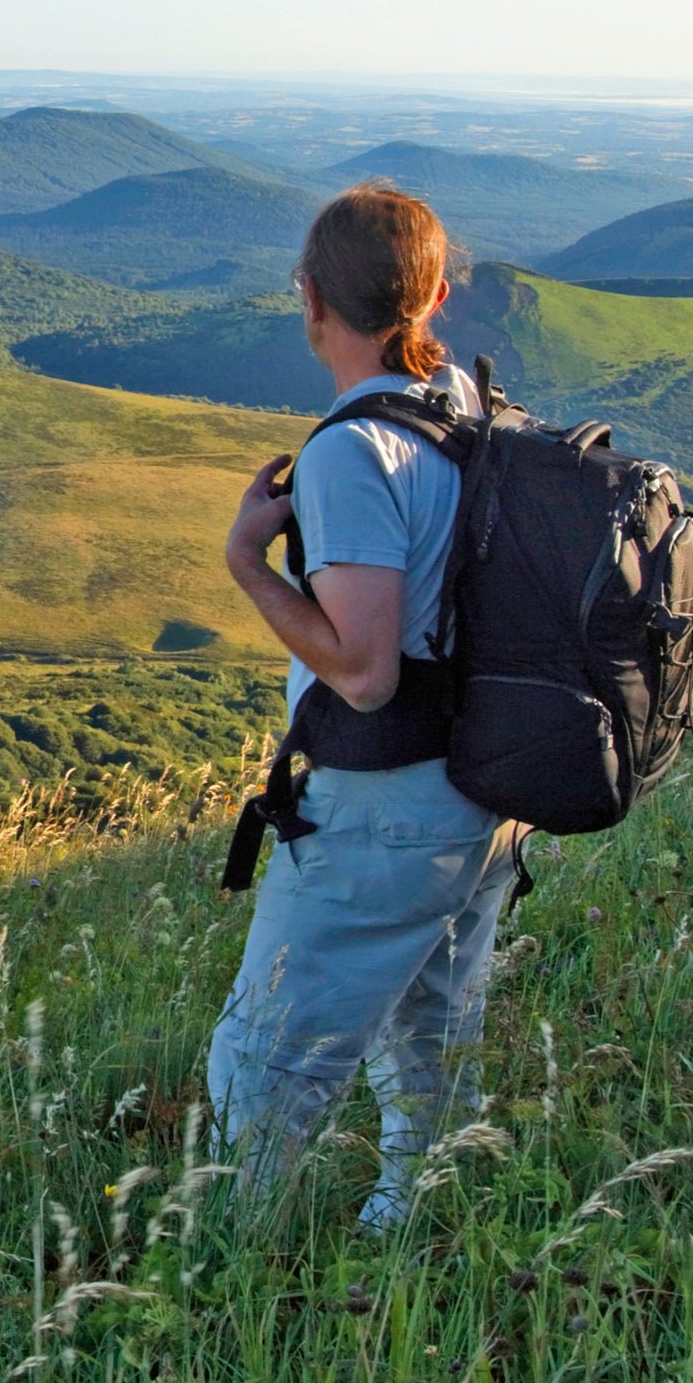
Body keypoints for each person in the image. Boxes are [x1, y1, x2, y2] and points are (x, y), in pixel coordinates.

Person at [208, 181, 523, 1224]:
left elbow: (362, 667)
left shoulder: (351, 450)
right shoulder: (465, 410)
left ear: (308, 301)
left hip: (382, 804)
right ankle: (418, 1229)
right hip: (478, 791)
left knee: (259, 1065)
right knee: (432, 1037)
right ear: (433, 292)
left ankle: (234, 1268)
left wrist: (250, 562)